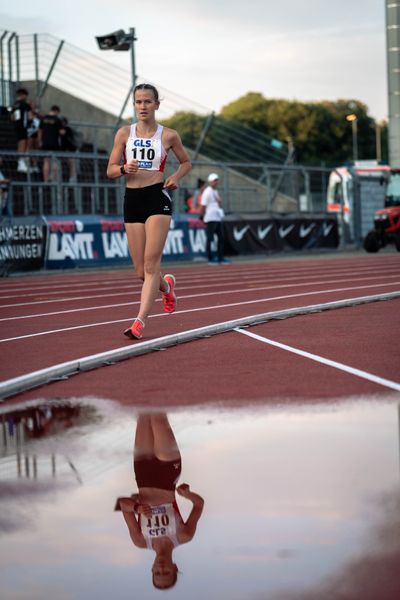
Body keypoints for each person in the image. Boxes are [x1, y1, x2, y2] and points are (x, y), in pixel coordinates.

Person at [107, 83, 192, 340]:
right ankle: (167, 288)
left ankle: (139, 321)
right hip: (132, 199)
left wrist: (176, 176)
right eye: (138, 102)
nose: (142, 106)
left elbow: (186, 162)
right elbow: (110, 170)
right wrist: (124, 169)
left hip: (157, 198)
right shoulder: (124, 134)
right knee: (139, 272)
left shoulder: (168, 136)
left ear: (157, 104)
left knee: (150, 264)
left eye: (147, 101)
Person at [115, 413, 204, 590]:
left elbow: (122, 505)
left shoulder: (140, 541)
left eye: (157, 573)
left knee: (143, 415)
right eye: (166, 572)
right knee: (157, 418)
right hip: (167, 476)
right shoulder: (184, 536)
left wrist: (137, 507)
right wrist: (188, 494)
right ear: (174, 568)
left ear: (152, 569)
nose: (161, 569)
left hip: (143, 475)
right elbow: (199, 504)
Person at [200, 172, 230, 264]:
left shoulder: (215, 191)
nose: (216, 182)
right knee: (210, 238)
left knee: (221, 238)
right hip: (210, 218)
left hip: (217, 217)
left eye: (217, 180)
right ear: (210, 181)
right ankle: (210, 258)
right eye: (214, 181)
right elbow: (203, 205)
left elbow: (218, 203)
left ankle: (220, 257)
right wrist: (202, 216)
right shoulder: (207, 191)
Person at [38, 105, 66, 181]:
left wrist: (40, 141)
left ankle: (46, 180)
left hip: (45, 142)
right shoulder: (57, 119)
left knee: (46, 161)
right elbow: (62, 132)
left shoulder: (43, 119)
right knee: (55, 161)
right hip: (54, 143)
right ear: (57, 111)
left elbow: (40, 130)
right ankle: (54, 179)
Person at [11, 88, 32, 173]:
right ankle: (21, 162)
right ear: (23, 95)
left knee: (20, 143)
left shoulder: (15, 105)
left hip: (17, 126)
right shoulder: (25, 105)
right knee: (23, 144)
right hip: (23, 127)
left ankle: (21, 162)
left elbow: (12, 117)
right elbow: (30, 116)